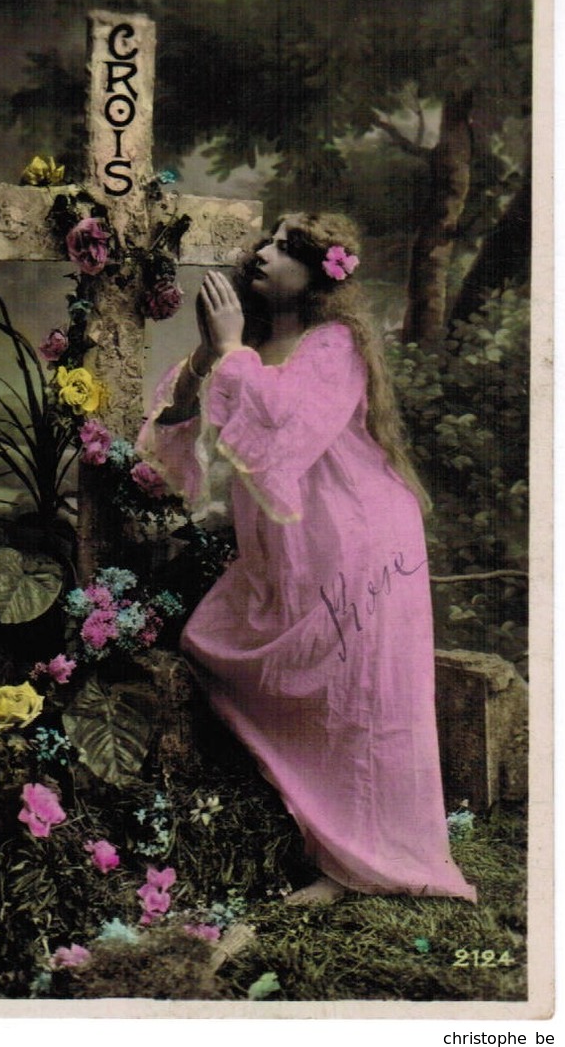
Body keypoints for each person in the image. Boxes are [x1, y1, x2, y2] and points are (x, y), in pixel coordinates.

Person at [136, 211, 476, 904]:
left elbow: (286, 425)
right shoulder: (247, 343)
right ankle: (316, 823)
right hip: (286, 548)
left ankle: (357, 864)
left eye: (287, 248)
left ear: (324, 272)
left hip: (357, 538)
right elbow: (171, 422)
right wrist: (211, 354)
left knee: (365, 695)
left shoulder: (335, 342)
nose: (263, 253)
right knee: (216, 640)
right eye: (263, 242)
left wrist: (230, 353)